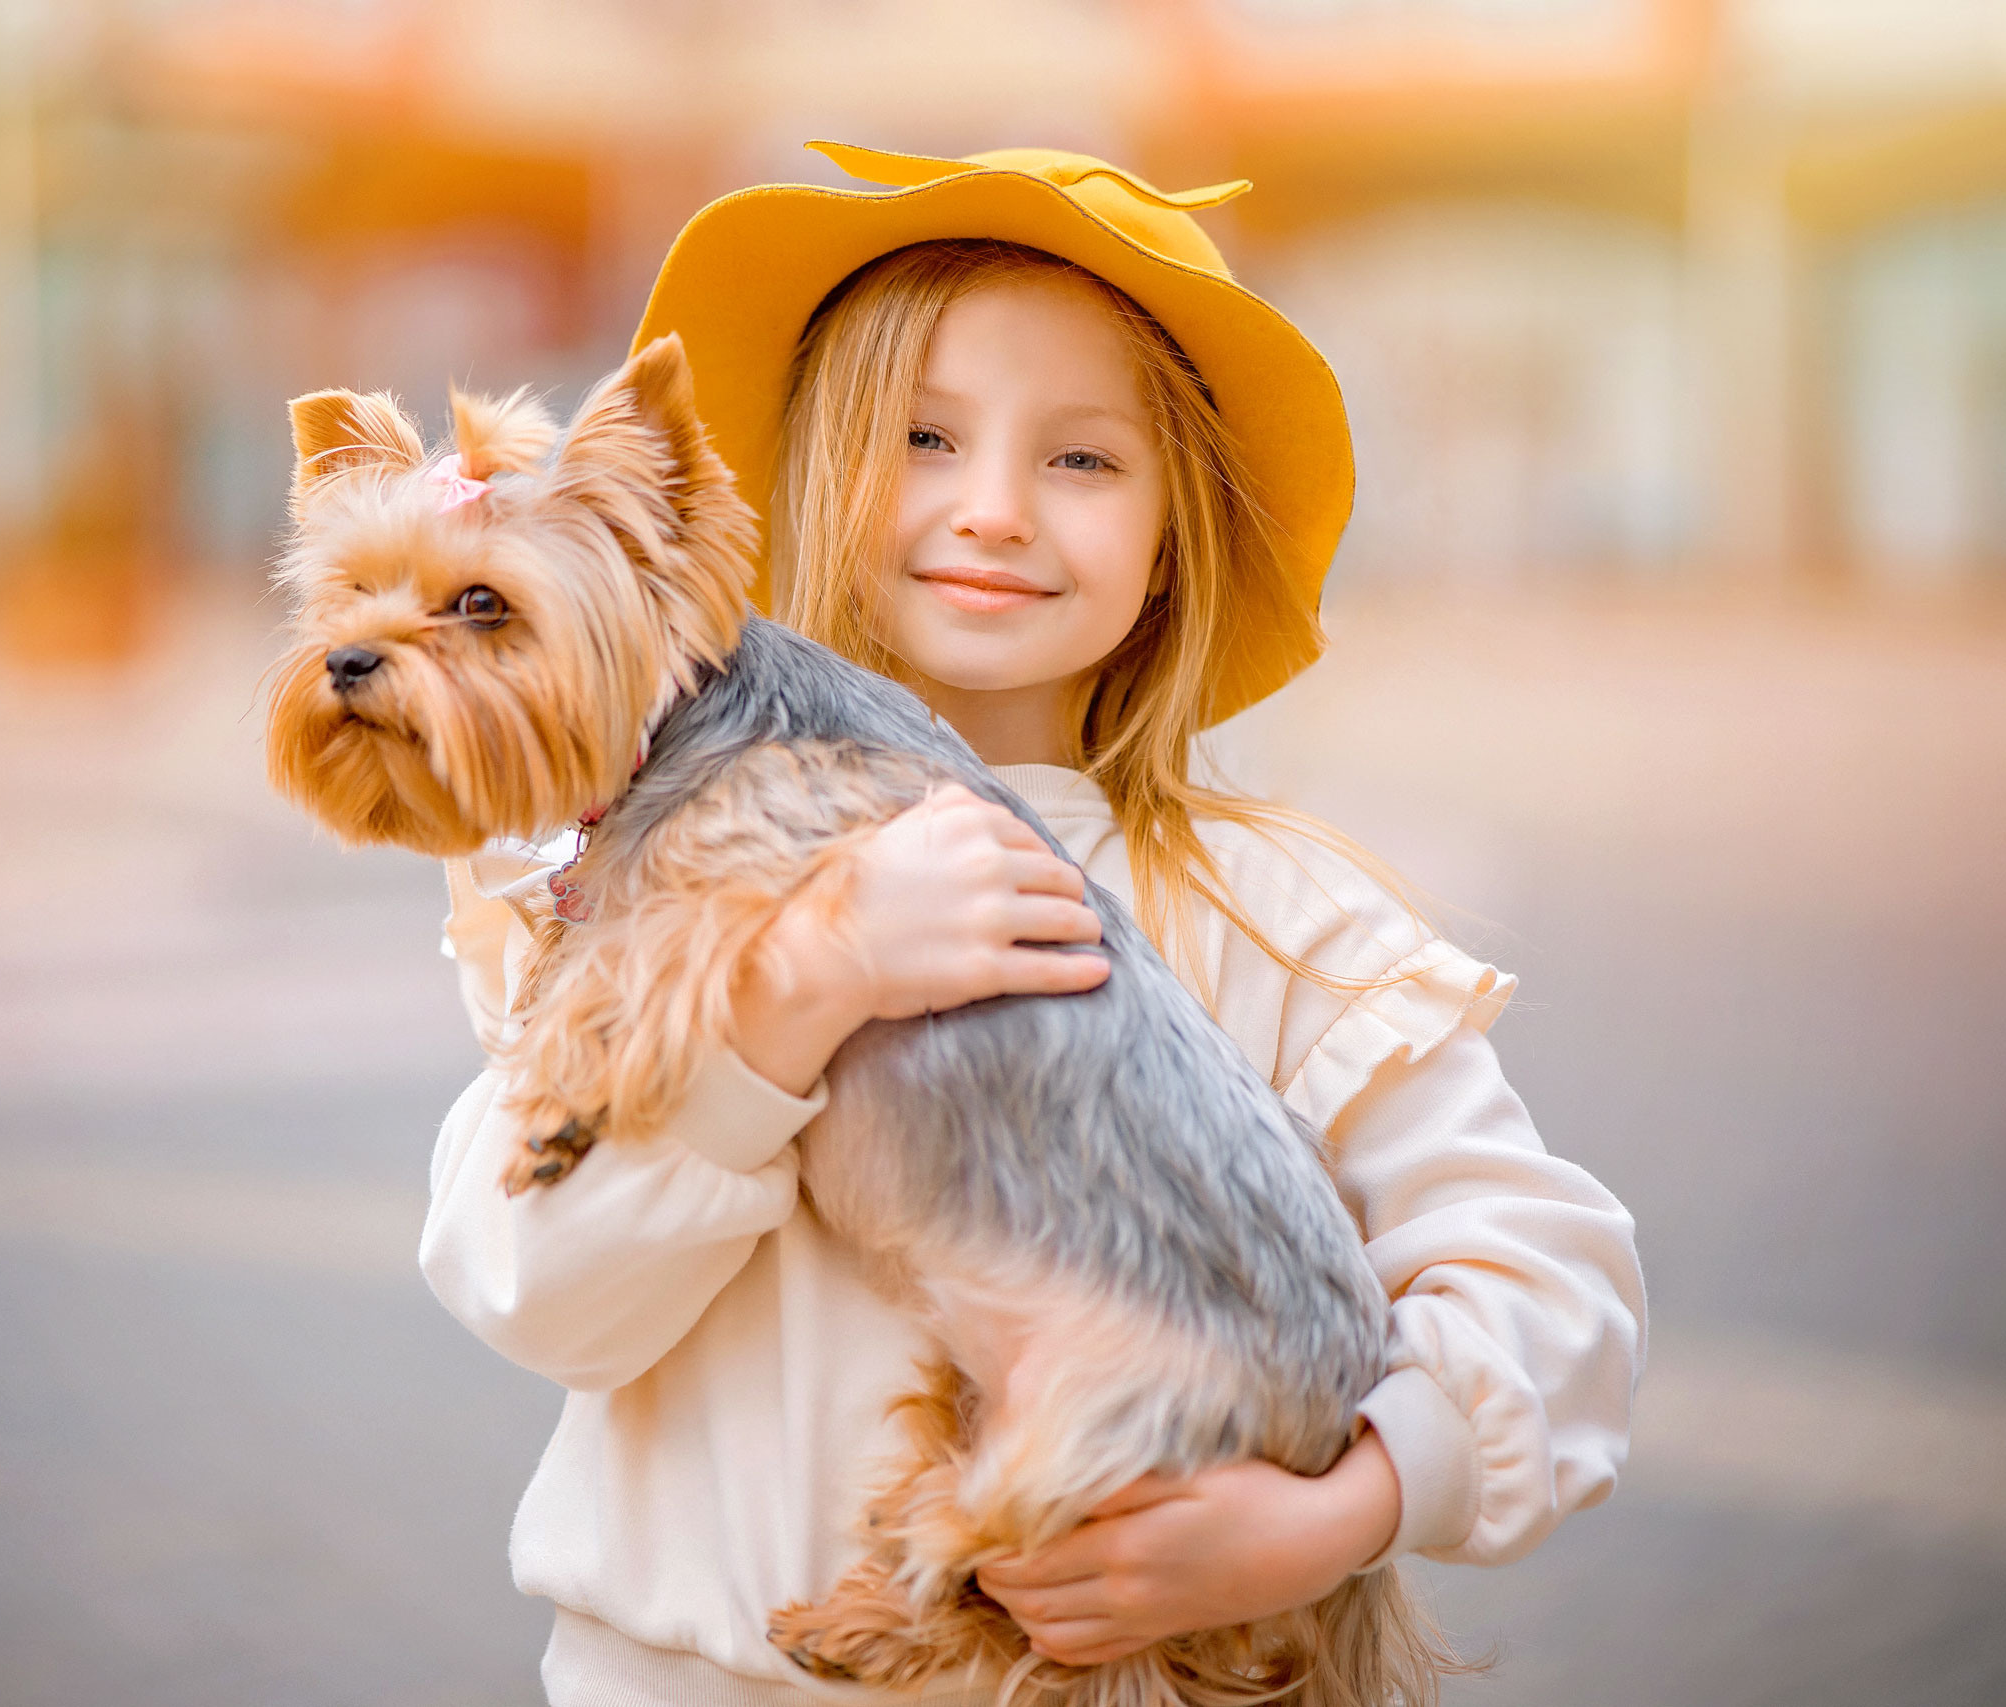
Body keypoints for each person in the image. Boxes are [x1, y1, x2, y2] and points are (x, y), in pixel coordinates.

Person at [421, 143, 1645, 1706]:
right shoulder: (621, 888)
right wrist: (798, 984)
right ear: (794, 484)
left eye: (1082, 462)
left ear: (1171, 541)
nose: (993, 512)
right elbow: (533, 1288)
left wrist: (1335, 1515)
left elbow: (1557, 1290)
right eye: (924, 439)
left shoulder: (1268, 922)